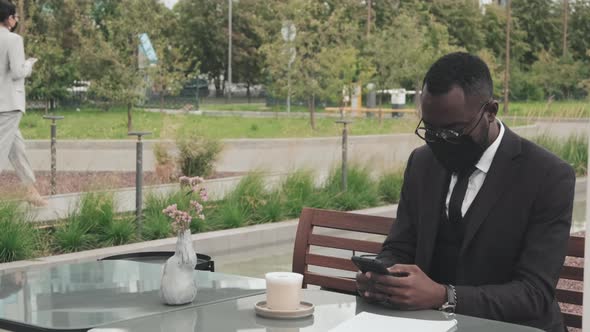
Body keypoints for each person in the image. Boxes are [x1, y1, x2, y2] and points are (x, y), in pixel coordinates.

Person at [356, 52, 575, 332]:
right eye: (430, 130)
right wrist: (380, 276)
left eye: (452, 132)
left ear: (490, 112)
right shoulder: (422, 163)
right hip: (430, 324)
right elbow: (400, 246)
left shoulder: (548, 176)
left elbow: (534, 293)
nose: (439, 143)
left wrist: (445, 296)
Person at [0, 0, 46, 206]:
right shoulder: (13, 39)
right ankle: (30, 190)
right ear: (9, 18)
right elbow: (18, 72)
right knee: (2, 149)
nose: (16, 20)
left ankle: (30, 190)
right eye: (15, 16)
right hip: (8, 104)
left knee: (17, 147)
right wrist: (29, 64)